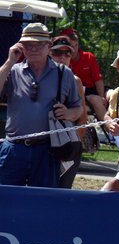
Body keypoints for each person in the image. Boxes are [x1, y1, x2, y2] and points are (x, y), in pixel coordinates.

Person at [0, 23, 82, 188]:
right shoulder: (13, 70)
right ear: (21, 47)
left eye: (39, 44)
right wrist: (9, 62)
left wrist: (68, 113)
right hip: (14, 148)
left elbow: (78, 109)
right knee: (6, 200)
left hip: (47, 150)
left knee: (43, 201)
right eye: (29, 45)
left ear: (48, 46)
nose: (34, 49)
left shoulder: (63, 73)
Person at [48, 36, 89, 189]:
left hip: (67, 145)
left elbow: (82, 118)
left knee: (62, 189)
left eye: (67, 54)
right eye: (58, 53)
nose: (63, 57)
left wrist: (70, 147)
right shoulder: (40, 77)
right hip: (44, 145)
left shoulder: (75, 80)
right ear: (49, 53)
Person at [60, 28, 107, 122]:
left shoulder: (89, 57)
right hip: (73, 92)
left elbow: (98, 80)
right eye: (70, 46)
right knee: (95, 100)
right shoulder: (61, 59)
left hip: (90, 90)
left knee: (112, 94)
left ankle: (112, 130)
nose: (74, 49)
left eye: (76, 45)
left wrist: (102, 97)